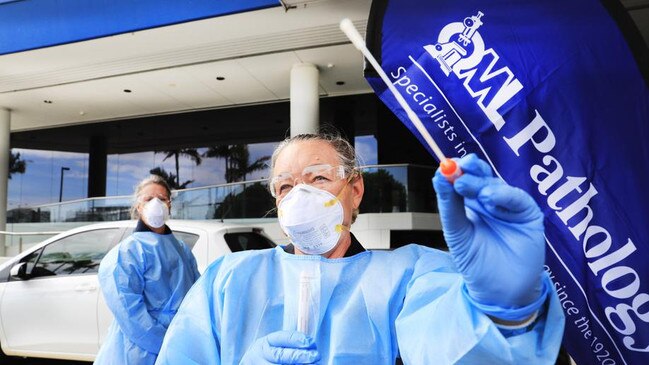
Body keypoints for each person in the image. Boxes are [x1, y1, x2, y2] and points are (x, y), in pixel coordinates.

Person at [155, 132, 565, 364]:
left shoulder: (410, 275)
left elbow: (458, 351)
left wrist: (504, 312)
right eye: (285, 186)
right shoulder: (228, 280)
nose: (300, 195)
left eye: (317, 179)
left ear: (355, 190)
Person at [95, 175, 200, 365]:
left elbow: (197, 298)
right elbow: (131, 317)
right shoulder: (124, 254)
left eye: (162, 198)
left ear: (170, 204)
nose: (156, 203)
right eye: (149, 199)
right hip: (139, 353)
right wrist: (168, 344)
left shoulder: (182, 251)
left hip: (179, 346)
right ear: (138, 206)